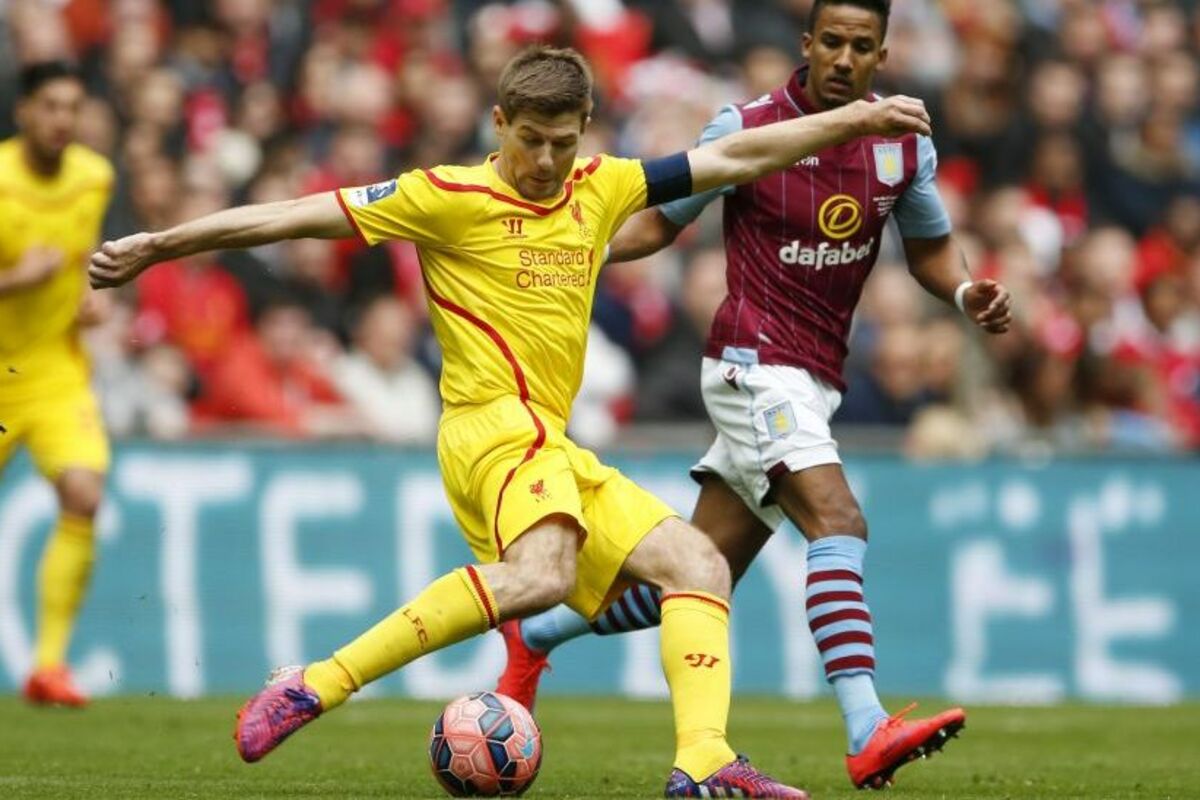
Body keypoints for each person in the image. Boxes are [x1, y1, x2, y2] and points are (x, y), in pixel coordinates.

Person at [89, 45, 931, 797]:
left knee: (698, 565)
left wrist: (852, 121)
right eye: (530, 140)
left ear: (585, 128)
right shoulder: (445, 196)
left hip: (552, 441)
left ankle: (704, 764)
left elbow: (736, 155)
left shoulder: (603, 185)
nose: (546, 160)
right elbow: (292, 215)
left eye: (563, 141)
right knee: (543, 576)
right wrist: (159, 245)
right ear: (499, 123)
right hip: (488, 428)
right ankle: (316, 683)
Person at [494, 1, 1013, 791]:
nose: (844, 57)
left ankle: (537, 635)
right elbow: (660, 224)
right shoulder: (748, 127)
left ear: (881, 54)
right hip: (752, 362)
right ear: (807, 43)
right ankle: (866, 725)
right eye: (831, 41)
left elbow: (932, 248)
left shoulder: (902, 143)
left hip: (815, 376)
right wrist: (565, 254)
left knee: (697, 573)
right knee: (838, 520)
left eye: (861, 45)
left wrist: (967, 291)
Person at [0, 62, 115, 708]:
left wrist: (87, 297)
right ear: (23, 111)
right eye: (49, 106)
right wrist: (15, 280)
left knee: (83, 492)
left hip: (53, 370)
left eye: (72, 107)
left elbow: (81, 256)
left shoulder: (93, 176)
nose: (62, 120)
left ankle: (48, 666)